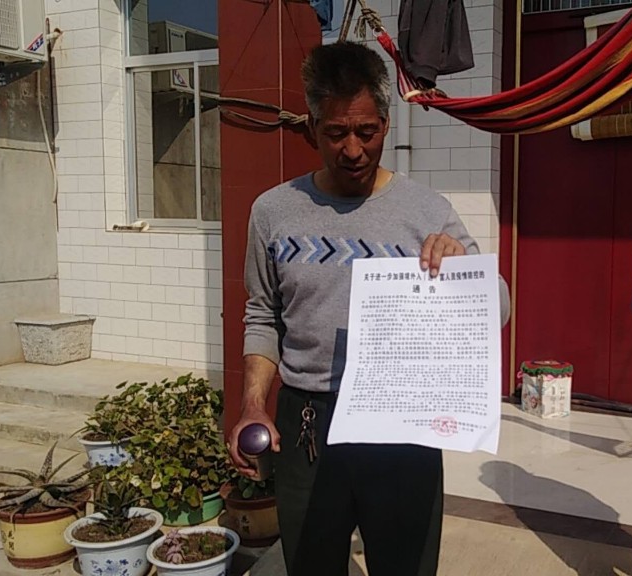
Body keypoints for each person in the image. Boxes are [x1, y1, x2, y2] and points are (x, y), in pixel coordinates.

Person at [227, 41, 509, 576]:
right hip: (309, 424)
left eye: (367, 131)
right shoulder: (273, 212)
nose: (353, 149)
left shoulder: (427, 210)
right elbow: (263, 315)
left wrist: (459, 272)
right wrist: (254, 404)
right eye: (336, 133)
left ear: (385, 124)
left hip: (402, 424)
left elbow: (497, 307)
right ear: (313, 128)